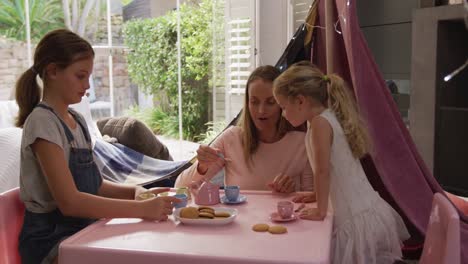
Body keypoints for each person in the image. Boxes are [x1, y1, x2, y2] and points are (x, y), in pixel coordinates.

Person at [15, 29, 179, 264]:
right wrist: (143, 210)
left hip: (83, 228)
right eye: (80, 76)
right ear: (52, 71)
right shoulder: (42, 123)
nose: (87, 85)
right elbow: (70, 203)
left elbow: (96, 185)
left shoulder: (77, 121)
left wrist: (135, 193)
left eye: (88, 76)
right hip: (51, 241)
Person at [273, 61, 409, 264]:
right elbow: (337, 169)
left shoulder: (320, 123)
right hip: (365, 208)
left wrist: (320, 209)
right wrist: (317, 194)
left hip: (354, 216)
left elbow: (323, 171)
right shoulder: (323, 119)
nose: (283, 114)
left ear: (300, 101)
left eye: (283, 107)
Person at [175, 65, 313, 193]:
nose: (261, 110)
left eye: (270, 102)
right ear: (247, 103)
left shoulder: (302, 144)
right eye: (254, 102)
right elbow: (180, 187)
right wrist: (202, 167)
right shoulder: (231, 139)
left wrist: (293, 192)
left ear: (282, 104)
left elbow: (313, 200)